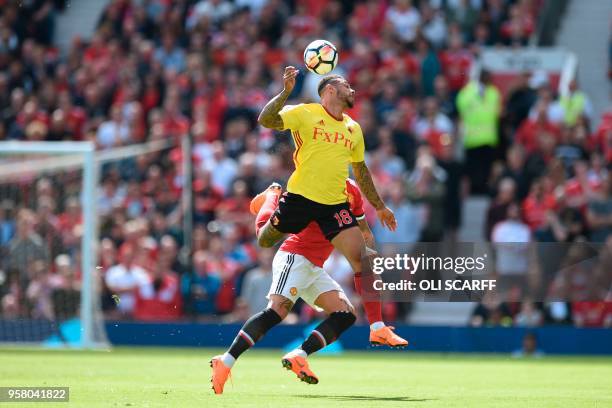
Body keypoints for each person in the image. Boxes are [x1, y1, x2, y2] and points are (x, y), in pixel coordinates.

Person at [210, 179, 407, 394]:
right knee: (277, 311)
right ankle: (226, 361)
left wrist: (368, 249)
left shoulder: (353, 192)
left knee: (346, 314)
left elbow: (362, 229)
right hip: (294, 257)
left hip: (314, 266)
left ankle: (300, 355)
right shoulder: (315, 183)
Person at [254, 67, 397, 308]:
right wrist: (285, 92)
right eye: (346, 85)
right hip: (300, 198)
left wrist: (380, 207)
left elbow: (361, 172)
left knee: (362, 258)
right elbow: (265, 120)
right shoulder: (305, 112)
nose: (353, 90)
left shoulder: (354, 129)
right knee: (266, 240)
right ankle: (271, 197)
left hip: (333, 204)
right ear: (330, 89)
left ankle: (377, 327)